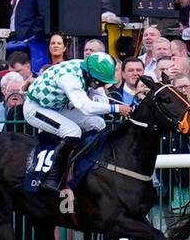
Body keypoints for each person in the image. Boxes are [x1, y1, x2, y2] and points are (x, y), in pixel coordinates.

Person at [22, 51, 129, 192]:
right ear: (93, 77)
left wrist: (109, 109)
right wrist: (116, 108)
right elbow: (85, 107)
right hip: (36, 108)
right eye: (101, 82)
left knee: (98, 123)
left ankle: (84, 163)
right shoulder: (70, 78)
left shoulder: (87, 70)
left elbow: (100, 99)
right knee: (73, 132)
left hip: (57, 107)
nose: (102, 85)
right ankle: (53, 178)